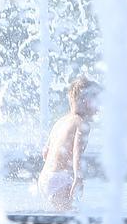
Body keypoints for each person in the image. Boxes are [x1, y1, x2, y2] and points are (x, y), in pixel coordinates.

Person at [37, 74, 98, 211]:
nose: (99, 108)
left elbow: (45, 153)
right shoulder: (82, 123)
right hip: (61, 180)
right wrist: (78, 177)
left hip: (45, 178)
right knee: (71, 217)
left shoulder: (60, 122)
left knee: (65, 216)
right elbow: (77, 153)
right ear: (87, 101)